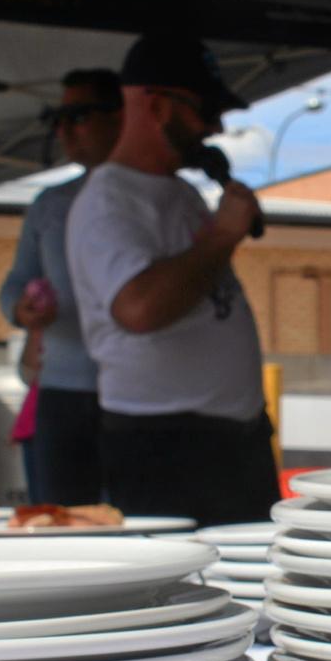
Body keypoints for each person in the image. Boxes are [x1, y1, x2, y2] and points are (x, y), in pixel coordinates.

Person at [64, 31, 279, 526]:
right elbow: (139, 308)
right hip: (165, 444)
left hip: (229, 439)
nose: (214, 126)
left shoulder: (178, 192)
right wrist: (222, 236)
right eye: (203, 110)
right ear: (157, 106)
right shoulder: (107, 202)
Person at [0, 68, 122, 503]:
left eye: (80, 115)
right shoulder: (50, 205)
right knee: (63, 527)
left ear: (121, 115)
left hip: (137, 393)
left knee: (142, 525)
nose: (64, 130)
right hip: (64, 391)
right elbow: (14, 283)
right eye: (58, 118)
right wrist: (22, 311)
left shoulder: (158, 197)